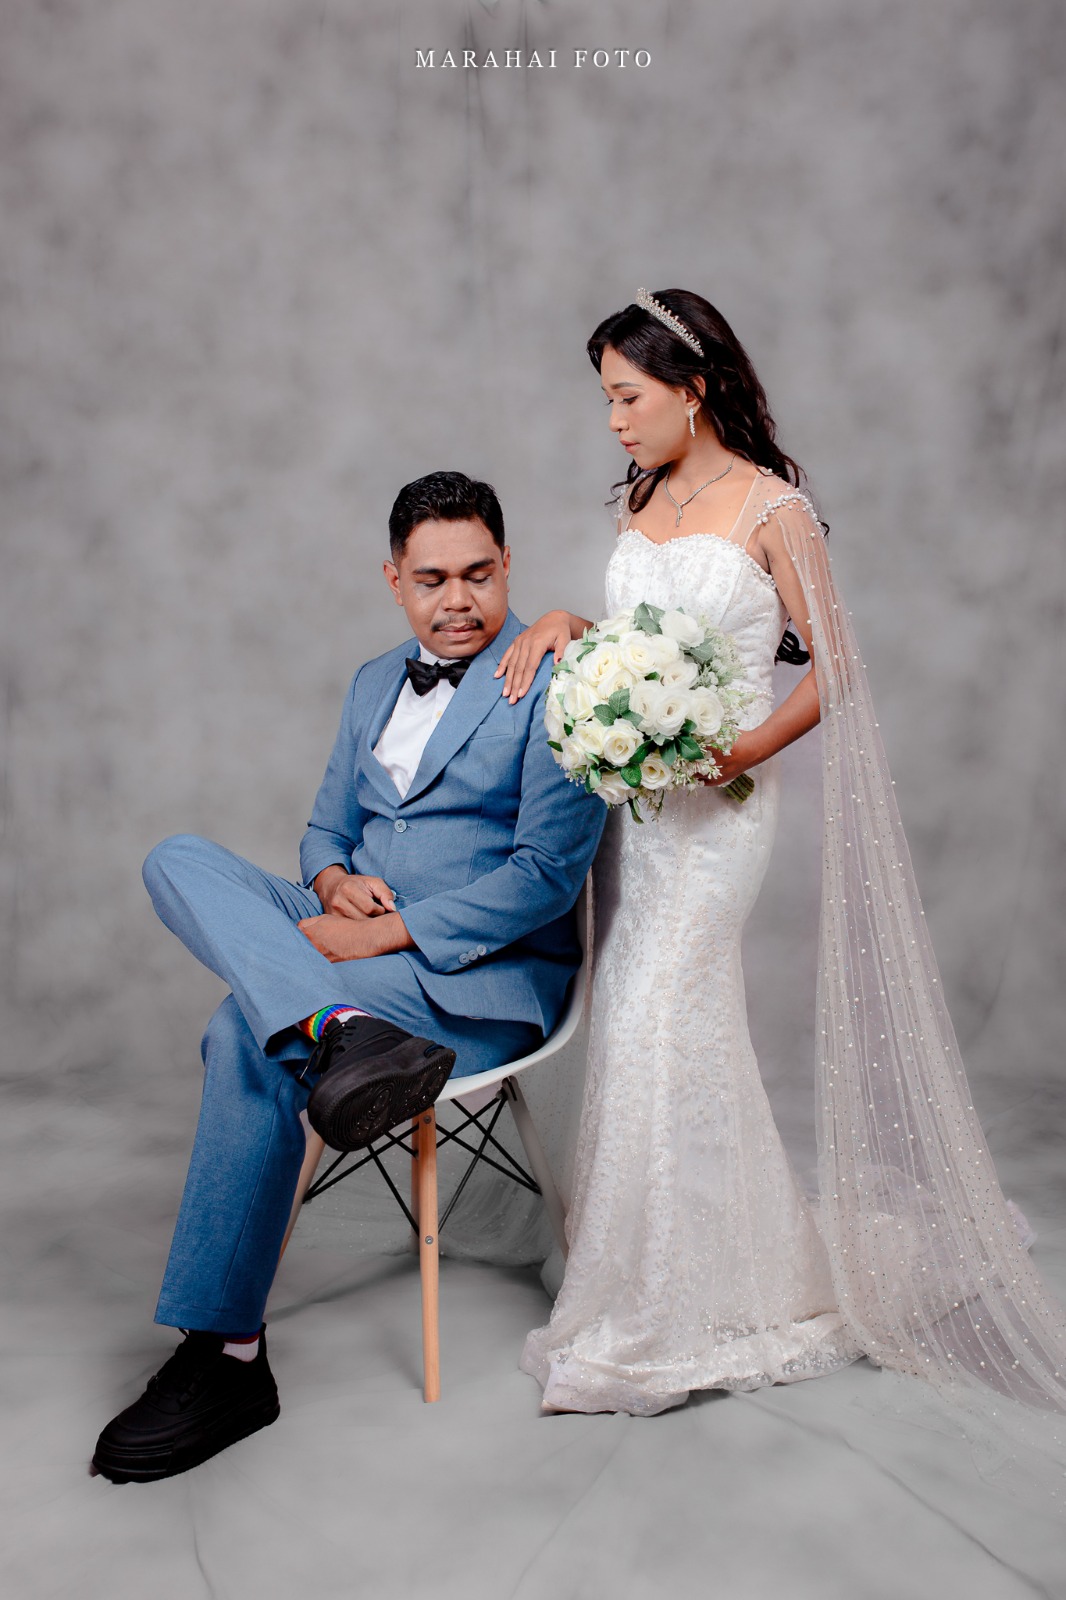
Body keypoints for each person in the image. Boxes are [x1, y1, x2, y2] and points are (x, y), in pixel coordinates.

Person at [499, 290, 1066, 1425]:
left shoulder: (775, 509)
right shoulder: (644, 496)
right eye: (605, 399)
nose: (613, 420)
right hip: (646, 817)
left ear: (693, 387)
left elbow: (835, 667)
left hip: (721, 817)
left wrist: (742, 748)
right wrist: (571, 626)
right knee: (648, 1025)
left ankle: (671, 1310)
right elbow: (647, 649)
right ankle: (686, 1272)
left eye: (628, 396)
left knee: (662, 1017)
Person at [91, 470, 606, 1482]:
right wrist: (332, 882)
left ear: (509, 566)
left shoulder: (559, 679)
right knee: (177, 858)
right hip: (349, 937)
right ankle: (335, 1025)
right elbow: (324, 829)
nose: (457, 600)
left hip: (473, 975)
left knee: (245, 1031)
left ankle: (227, 1356)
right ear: (393, 581)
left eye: (478, 574)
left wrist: (387, 935)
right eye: (431, 580)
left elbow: (545, 879)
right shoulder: (374, 681)